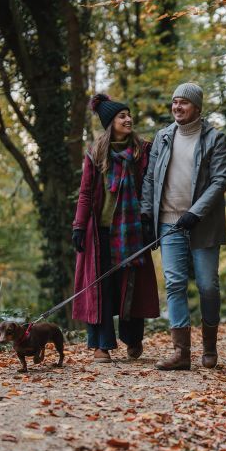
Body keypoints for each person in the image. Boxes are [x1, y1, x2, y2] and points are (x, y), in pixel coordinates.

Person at [141, 83, 226, 371]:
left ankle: (209, 346)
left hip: (202, 225)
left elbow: (220, 180)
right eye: (174, 102)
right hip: (169, 223)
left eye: (184, 102)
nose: (177, 107)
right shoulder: (163, 137)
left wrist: (195, 212)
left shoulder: (215, 138)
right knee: (174, 284)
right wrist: (146, 217)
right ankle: (181, 353)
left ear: (197, 107)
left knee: (207, 286)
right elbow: (150, 180)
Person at [71, 94, 160, 361]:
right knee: (101, 287)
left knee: (131, 285)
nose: (128, 119)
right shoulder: (96, 153)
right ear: (111, 122)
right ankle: (101, 345)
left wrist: (148, 222)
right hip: (100, 232)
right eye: (122, 116)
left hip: (132, 230)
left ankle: (133, 339)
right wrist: (78, 225)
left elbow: (151, 186)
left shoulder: (144, 151)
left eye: (129, 115)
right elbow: (86, 192)